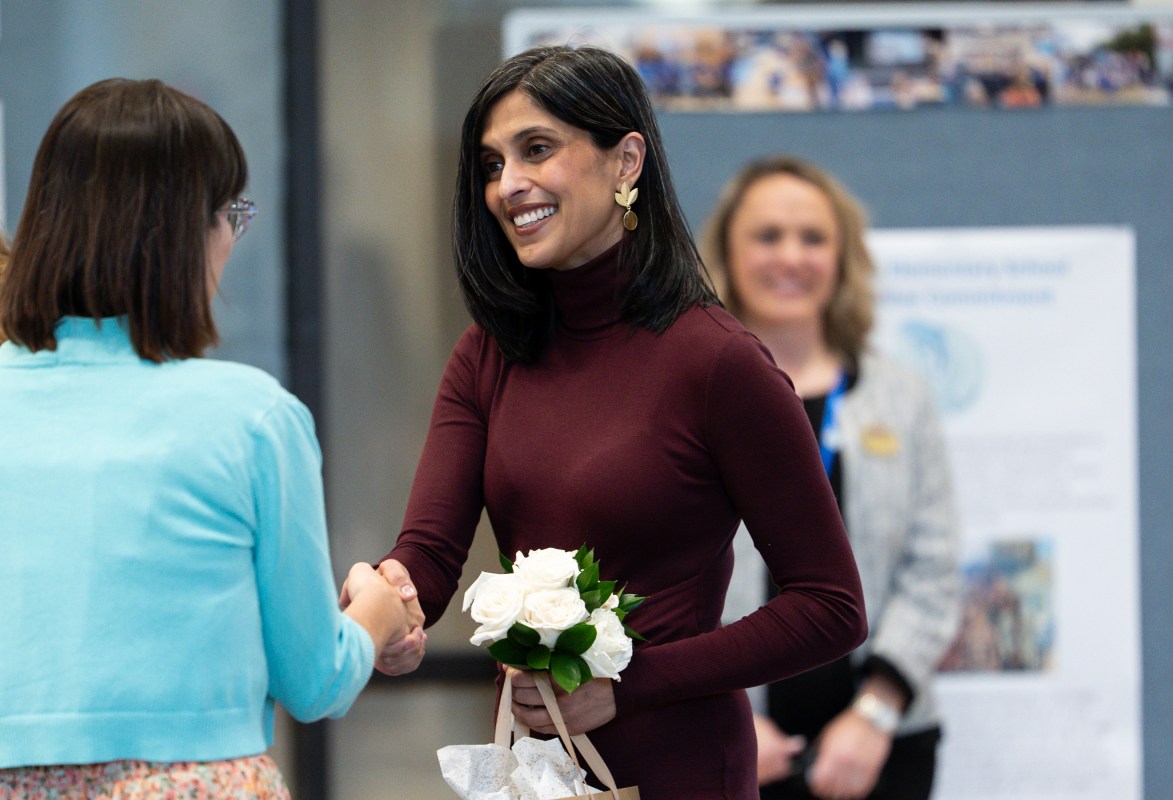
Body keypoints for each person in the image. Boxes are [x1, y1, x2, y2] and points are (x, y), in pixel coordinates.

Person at [371, 45, 867, 799]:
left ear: (626, 160)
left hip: (683, 767)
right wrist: (379, 610)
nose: (509, 185)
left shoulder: (718, 363)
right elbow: (429, 557)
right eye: (493, 164)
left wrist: (630, 681)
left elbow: (830, 607)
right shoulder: (488, 355)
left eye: (537, 149)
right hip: (532, 772)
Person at [0, 78, 425, 797]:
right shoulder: (251, 418)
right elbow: (314, 680)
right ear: (185, 233)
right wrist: (379, 609)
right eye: (232, 214)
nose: (233, 236)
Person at [703, 156, 961, 800]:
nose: (792, 256)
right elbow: (655, 572)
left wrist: (876, 713)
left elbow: (933, 571)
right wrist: (725, 710)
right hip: (721, 742)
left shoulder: (902, 399)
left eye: (813, 238)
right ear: (728, 256)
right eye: (767, 236)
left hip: (883, 744)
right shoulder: (684, 400)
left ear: (842, 257)